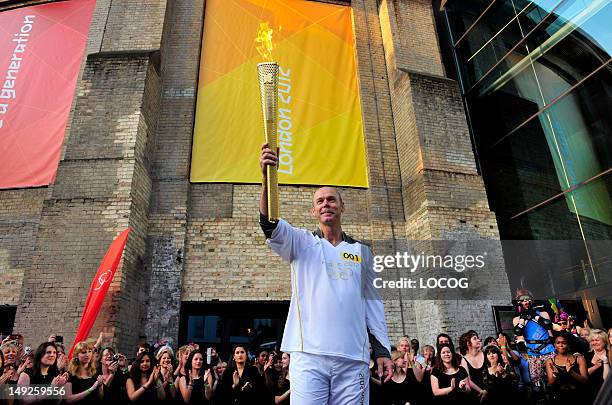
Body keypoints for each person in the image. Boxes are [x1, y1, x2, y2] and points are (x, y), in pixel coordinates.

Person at [259, 143, 393, 404]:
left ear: (342, 207)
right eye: (319, 201)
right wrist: (267, 179)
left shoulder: (363, 252)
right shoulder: (300, 242)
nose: (325, 204)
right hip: (308, 356)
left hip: (353, 358)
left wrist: (382, 351)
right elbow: (269, 223)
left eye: (331, 199)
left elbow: (373, 306)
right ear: (313, 211)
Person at [545, 331, 588, 405]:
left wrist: (571, 372)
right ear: (554, 345)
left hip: (577, 396)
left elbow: (585, 381)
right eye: (558, 343)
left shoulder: (579, 359)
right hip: (559, 397)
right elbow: (551, 382)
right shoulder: (550, 361)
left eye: (564, 343)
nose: (561, 345)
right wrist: (555, 375)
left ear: (568, 344)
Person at [459, 330, 487, 403]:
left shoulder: (485, 353)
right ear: (468, 343)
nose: (478, 340)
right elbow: (468, 380)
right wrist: (481, 391)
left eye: (478, 338)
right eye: (475, 338)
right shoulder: (464, 360)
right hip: (477, 394)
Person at [585, 329, 610, 401]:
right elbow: (583, 375)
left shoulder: (610, 355)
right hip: (590, 392)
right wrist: (595, 367)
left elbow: (608, 378)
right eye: (592, 340)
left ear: (604, 341)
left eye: (597, 340)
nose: (594, 343)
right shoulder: (587, 355)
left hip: (606, 392)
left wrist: (605, 361)